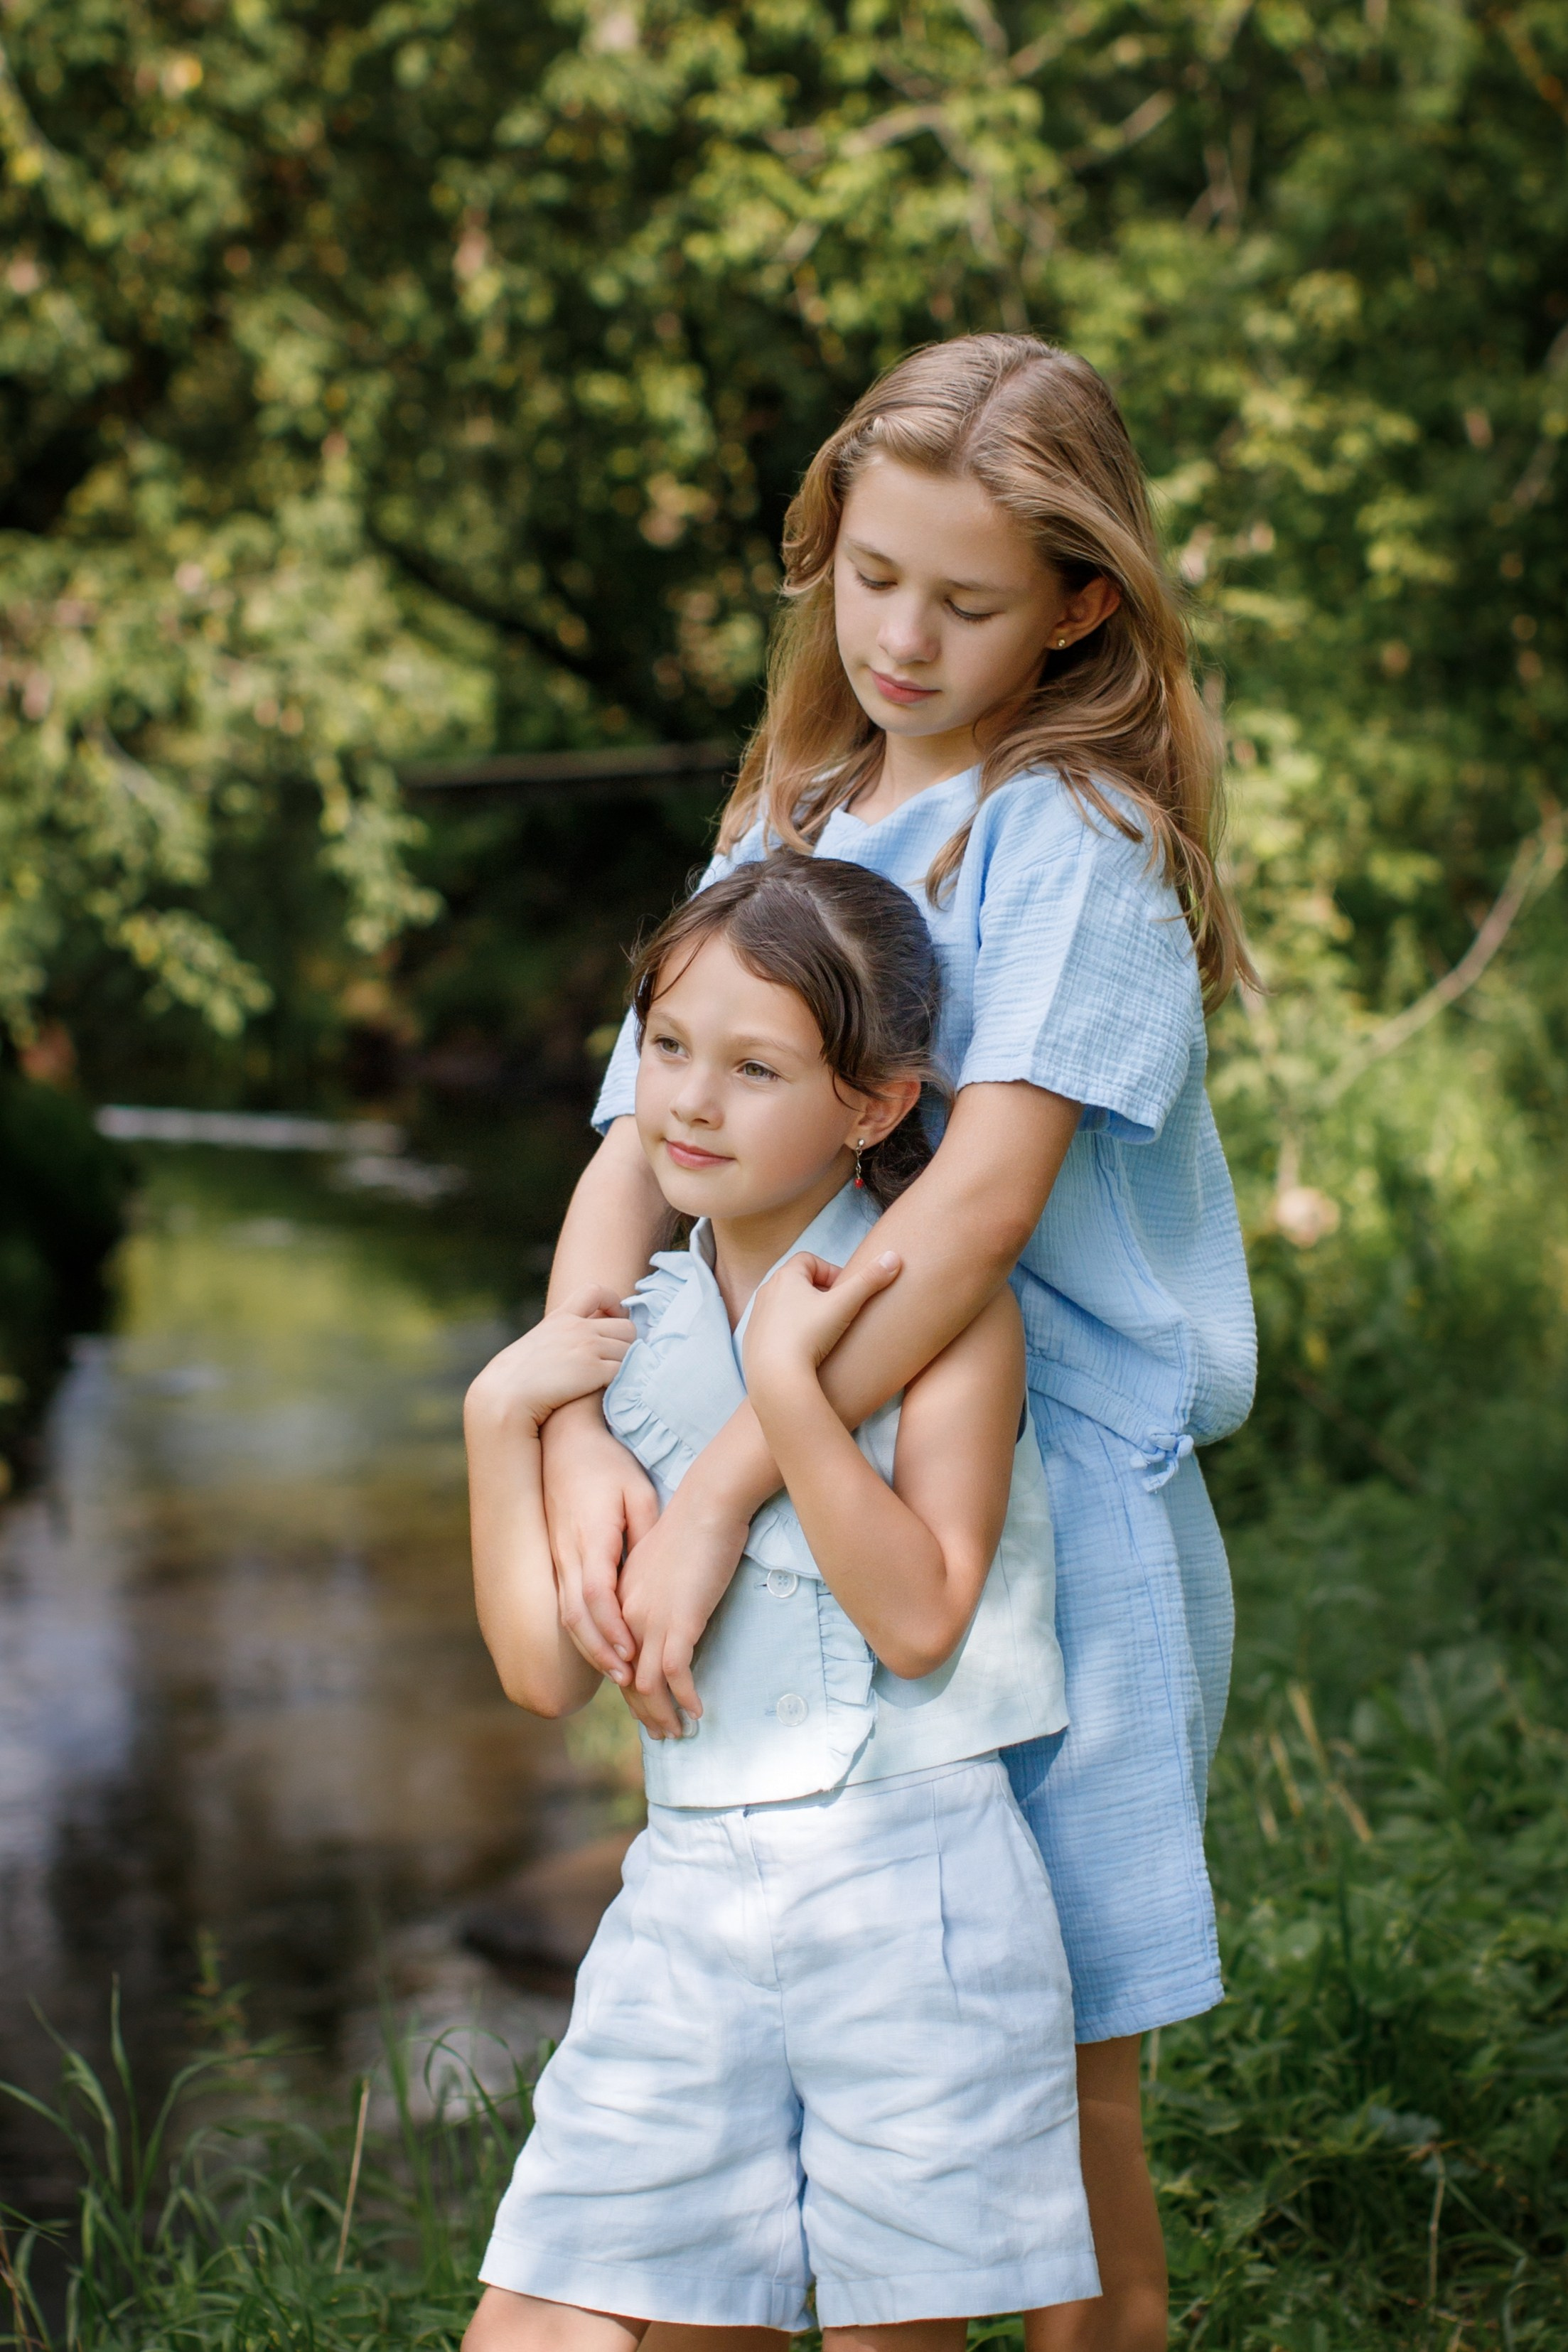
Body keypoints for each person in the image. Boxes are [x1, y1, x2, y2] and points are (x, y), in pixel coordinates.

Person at [540, 333, 1257, 2352]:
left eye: (964, 600)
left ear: (1080, 602)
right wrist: (587, 1417)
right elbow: (636, 1142)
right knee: (824, 2081)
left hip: (1051, 1532)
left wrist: (715, 1491)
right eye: (868, 580)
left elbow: (967, 1218)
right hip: (798, 1524)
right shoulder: (788, 811)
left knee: (1051, 2105)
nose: (900, 638)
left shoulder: (1072, 842)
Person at [464, 852, 1099, 2352]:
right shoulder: (623, 1333)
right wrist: (502, 1422)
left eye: (753, 1068)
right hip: (686, 1901)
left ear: (873, 1103)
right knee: (545, 2320)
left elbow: (921, 1617)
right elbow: (549, 1677)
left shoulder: (942, 1317)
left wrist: (785, 1402)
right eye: (668, 1049)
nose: (687, 1102)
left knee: (891, 2330)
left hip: (911, 1891)